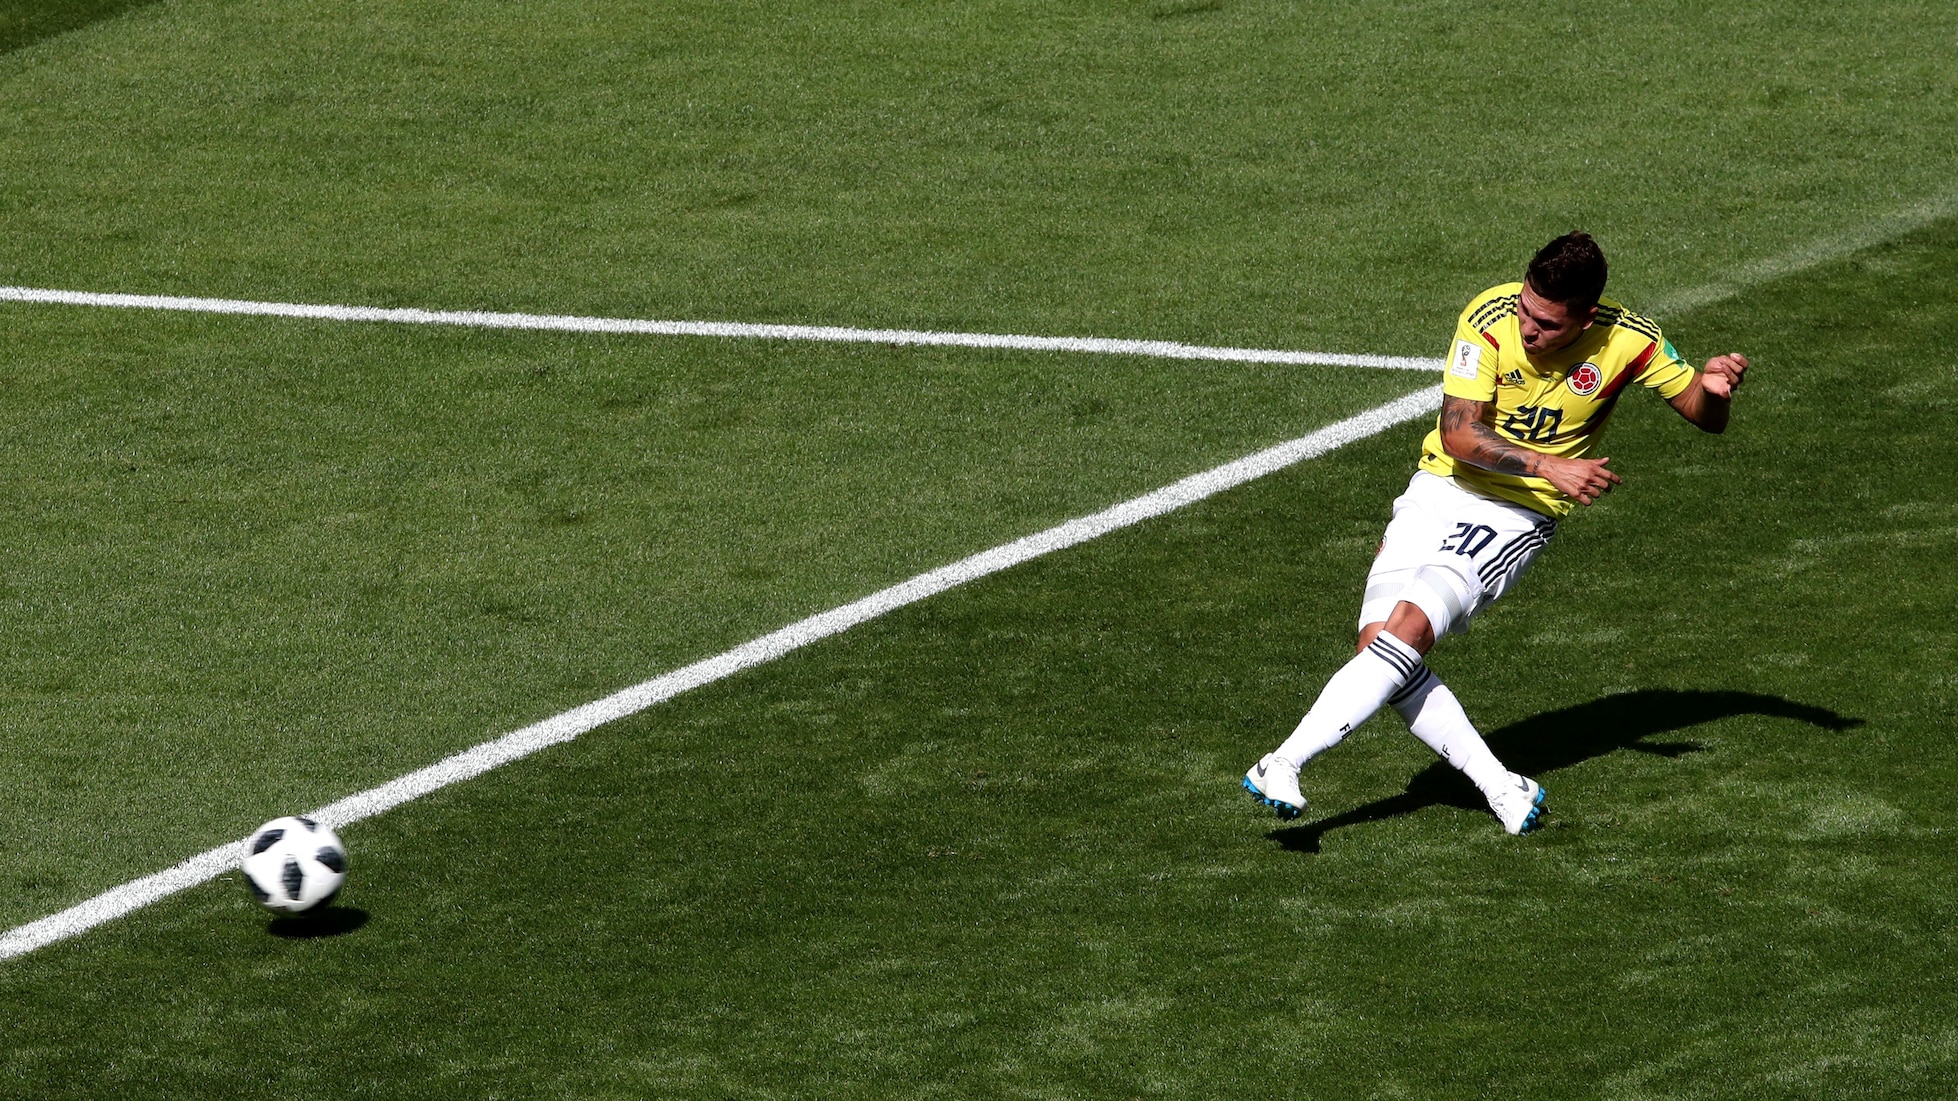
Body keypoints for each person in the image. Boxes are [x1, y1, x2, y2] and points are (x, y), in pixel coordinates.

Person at [1241, 231, 1748, 834]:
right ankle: (1504, 788)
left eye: (1548, 326)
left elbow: (1700, 410)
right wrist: (1552, 463)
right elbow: (1459, 434)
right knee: (1380, 651)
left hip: (1515, 514)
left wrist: (1714, 392)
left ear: (1586, 319)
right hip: (1439, 487)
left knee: (1406, 632)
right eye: (1527, 313)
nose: (1529, 331)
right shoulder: (1489, 316)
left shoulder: (1630, 340)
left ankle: (1282, 760)